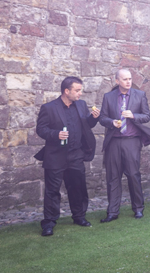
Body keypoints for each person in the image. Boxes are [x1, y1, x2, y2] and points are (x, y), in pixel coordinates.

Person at [34, 76, 100, 236]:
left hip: (76, 155)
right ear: (66, 91)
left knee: (78, 188)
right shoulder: (49, 108)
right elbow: (40, 129)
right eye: (77, 90)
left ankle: (79, 216)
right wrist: (56, 134)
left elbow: (87, 125)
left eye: (80, 90)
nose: (80, 93)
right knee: (52, 192)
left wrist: (93, 118)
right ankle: (49, 223)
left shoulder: (82, 105)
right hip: (55, 156)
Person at [98, 68, 150, 222]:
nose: (128, 81)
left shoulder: (140, 95)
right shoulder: (108, 97)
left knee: (133, 175)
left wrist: (133, 116)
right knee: (113, 177)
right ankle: (112, 212)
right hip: (114, 142)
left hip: (132, 141)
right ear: (117, 81)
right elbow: (102, 118)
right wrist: (112, 122)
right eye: (125, 79)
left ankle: (138, 208)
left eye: (130, 79)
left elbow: (147, 116)